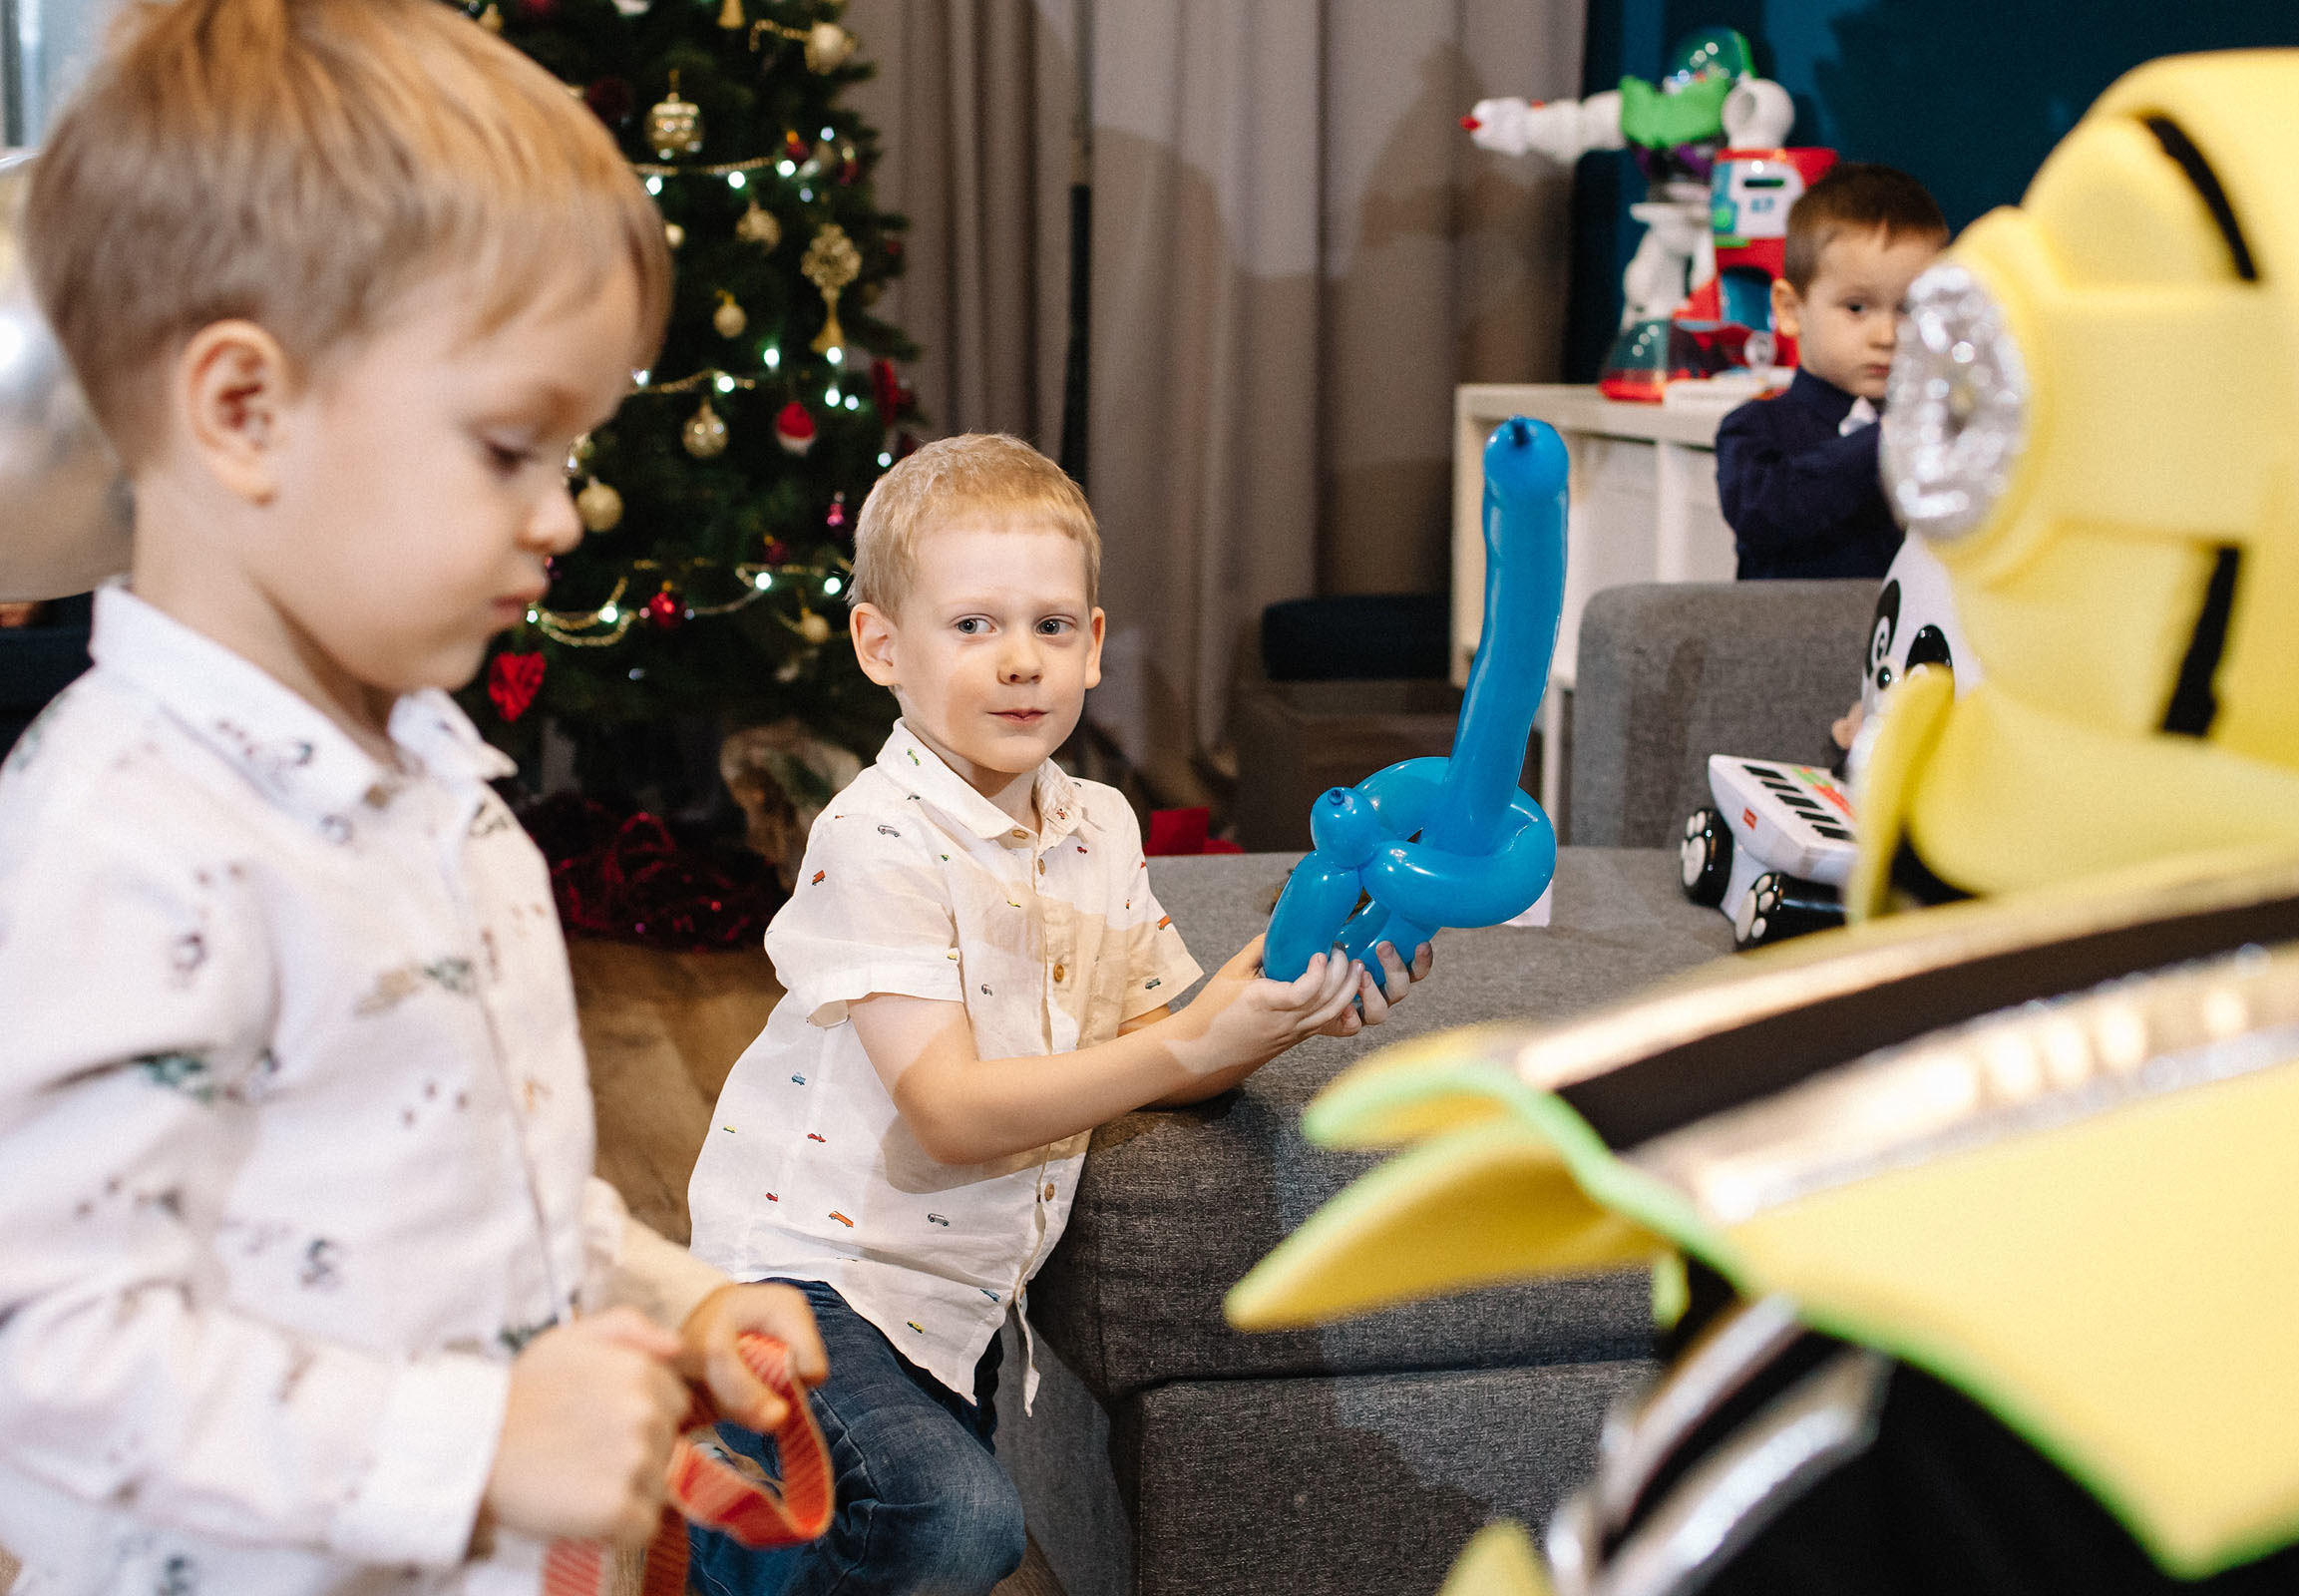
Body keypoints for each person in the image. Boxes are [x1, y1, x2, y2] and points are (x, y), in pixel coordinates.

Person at [0, 3, 826, 1591]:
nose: (567, 511)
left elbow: (465, 1187)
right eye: (512, 447)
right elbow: (51, 1345)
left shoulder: (432, 790)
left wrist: (667, 1299)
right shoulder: (125, 843)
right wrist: (478, 1444)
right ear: (244, 412)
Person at [683, 433, 1431, 1595]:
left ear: (1091, 647)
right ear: (882, 646)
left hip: (953, 1304)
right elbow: (950, 1112)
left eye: (1048, 626)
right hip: (805, 1271)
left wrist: (1284, 1001)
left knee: (892, 1539)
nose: (1018, 660)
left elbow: (1161, 1041)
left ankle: (737, 1517)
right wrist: (1190, 1039)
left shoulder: (1099, 828)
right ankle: (710, 1512)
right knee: (955, 1522)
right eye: (973, 625)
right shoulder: (874, 836)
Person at [1714, 163, 1949, 582]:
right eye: (1857, 307)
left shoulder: (1937, 425)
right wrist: (1882, 444)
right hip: (1791, 642)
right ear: (1790, 309)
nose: (1888, 335)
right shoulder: (1754, 426)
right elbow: (1762, 515)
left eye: (1910, 310)